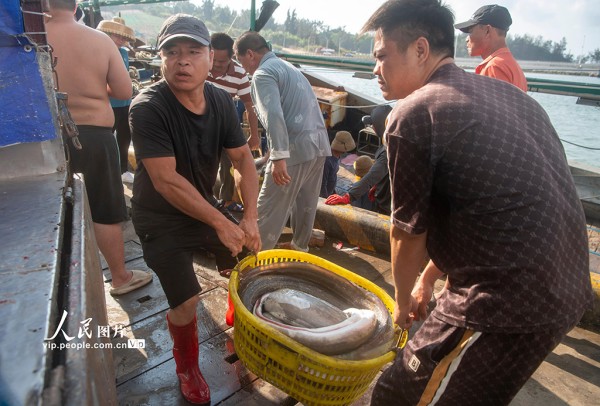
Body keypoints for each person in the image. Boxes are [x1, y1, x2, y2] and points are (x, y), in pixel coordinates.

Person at [361, 1, 593, 404]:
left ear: (420, 49)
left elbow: (407, 234)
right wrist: (428, 279)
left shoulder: (412, 114)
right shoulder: (514, 97)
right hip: (568, 285)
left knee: (396, 396)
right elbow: (490, 207)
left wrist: (401, 302)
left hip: (504, 299)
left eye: (381, 56)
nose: (375, 69)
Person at [128, 14, 260, 405]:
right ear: (161, 59)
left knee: (246, 259)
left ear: (210, 60)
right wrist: (222, 222)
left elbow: (243, 159)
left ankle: (238, 323)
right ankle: (186, 365)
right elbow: (166, 180)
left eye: (192, 52)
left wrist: (250, 218)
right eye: (172, 52)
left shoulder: (221, 101)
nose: (182, 60)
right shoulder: (148, 107)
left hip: (203, 205)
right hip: (159, 217)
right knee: (186, 301)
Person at [45, 0, 152, 296]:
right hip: (94, 136)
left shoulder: (30, 41)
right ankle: (120, 277)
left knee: (53, 210)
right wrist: (93, 86)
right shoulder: (99, 40)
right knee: (104, 209)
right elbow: (123, 91)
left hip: (47, 141)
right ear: (75, 6)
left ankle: (55, 284)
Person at [234, 31, 331, 252]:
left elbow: (274, 115)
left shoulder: (263, 74)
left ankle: (255, 257)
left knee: (269, 207)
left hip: (294, 149)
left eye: (241, 61)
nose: (244, 68)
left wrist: (278, 156)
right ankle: (299, 247)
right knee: (306, 203)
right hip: (318, 145)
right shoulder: (289, 68)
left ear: (250, 54)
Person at [208, 32, 260, 212]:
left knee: (231, 164)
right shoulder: (201, 66)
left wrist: (254, 135)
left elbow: (250, 105)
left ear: (231, 57)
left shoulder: (239, 73)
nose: (216, 65)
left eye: (222, 62)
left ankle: (227, 201)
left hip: (224, 125)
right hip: (198, 124)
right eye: (213, 59)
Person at [325, 104, 392, 214]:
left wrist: (348, 196)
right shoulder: (391, 141)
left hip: (386, 206)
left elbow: (372, 176)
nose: (372, 126)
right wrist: (377, 185)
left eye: (373, 124)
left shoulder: (388, 151)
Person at [97, 16, 136, 183]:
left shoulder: (124, 53)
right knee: (106, 137)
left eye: (123, 37)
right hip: (109, 102)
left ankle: (123, 170)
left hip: (125, 102)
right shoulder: (100, 51)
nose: (120, 40)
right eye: (117, 36)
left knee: (125, 136)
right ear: (107, 34)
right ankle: (106, 172)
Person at [455, 4, 527, 91]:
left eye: (470, 31)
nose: (467, 39)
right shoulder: (511, 65)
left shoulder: (494, 67)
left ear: (487, 31)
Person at [320, 131, 355, 198]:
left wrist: (333, 192)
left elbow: (332, 176)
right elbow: (322, 184)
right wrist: (325, 199)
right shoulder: (327, 161)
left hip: (330, 190)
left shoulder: (336, 156)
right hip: (324, 194)